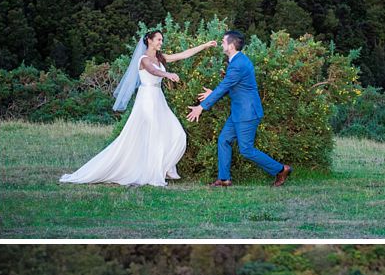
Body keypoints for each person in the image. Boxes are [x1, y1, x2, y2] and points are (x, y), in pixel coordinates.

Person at [60, 30, 216, 187]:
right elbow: (153, 70)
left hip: (158, 98)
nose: (161, 42)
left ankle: (163, 166)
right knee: (153, 134)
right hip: (147, 98)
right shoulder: (143, 59)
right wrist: (167, 74)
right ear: (149, 40)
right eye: (158, 40)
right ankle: (152, 172)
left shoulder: (160, 57)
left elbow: (183, 55)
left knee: (177, 133)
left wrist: (204, 45)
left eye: (162, 40)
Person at [186, 29, 292, 187]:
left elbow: (225, 86)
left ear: (231, 45)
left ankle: (281, 169)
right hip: (239, 112)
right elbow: (231, 86)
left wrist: (201, 107)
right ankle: (224, 179)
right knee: (223, 140)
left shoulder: (238, 64)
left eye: (223, 41)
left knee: (246, 149)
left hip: (247, 112)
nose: (221, 43)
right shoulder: (237, 61)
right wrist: (212, 93)